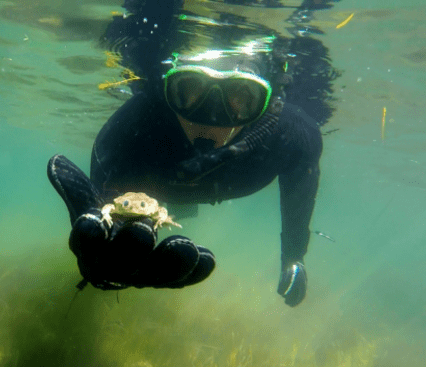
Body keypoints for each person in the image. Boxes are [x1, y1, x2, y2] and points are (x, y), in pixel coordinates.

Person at [48, 0, 338, 307]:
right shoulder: (132, 130)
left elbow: (299, 193)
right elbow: (104, 215)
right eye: (191, 90)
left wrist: (294, 257)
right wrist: (102, 260)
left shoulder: (293, 136)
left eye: (240, 97)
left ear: (267, 102)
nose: (210, 116)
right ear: (167, 89)